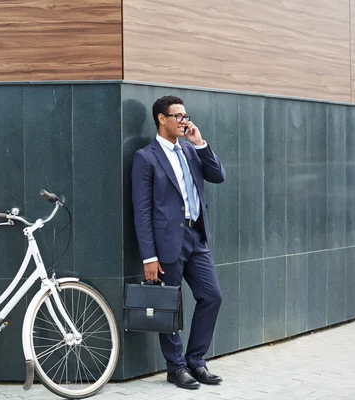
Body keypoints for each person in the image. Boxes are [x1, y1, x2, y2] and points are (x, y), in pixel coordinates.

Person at [131, 95, 226, 390]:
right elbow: (142, 210)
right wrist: (149, 257)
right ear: (162, 119)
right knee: (169, 306)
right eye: (179, 116)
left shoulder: (190, 149)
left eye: (186, 116)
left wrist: (201, 144)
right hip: (166, 242)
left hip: (196, 237)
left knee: (212, 296)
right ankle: (176, 367)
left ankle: (196, 360)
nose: (185, 121)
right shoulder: (145, 157)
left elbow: (218, 176)